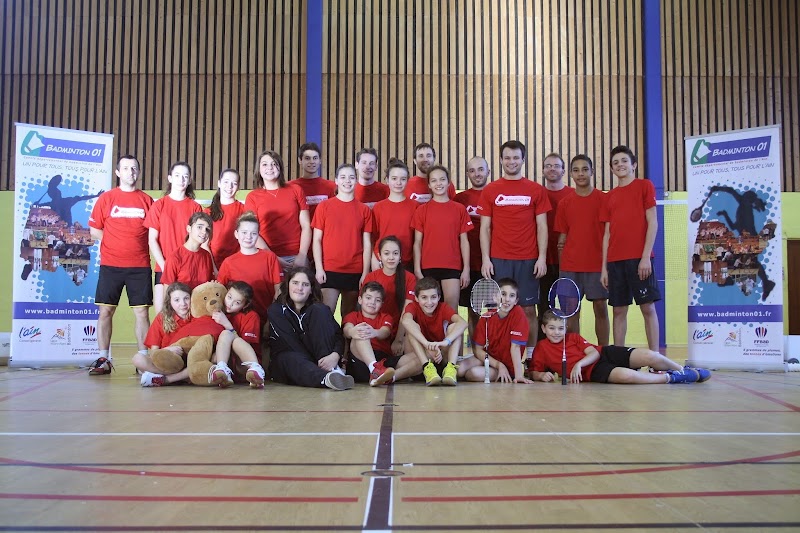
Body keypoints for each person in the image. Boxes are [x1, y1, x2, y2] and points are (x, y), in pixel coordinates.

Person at [479, 140, 551, 362]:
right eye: (507, 158)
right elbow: (485, 228)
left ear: (523, 160)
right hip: (499, 260)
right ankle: (499, 357)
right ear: (501, 160)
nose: (512, 162)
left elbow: (542, 226)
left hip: (528, 260)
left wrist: (541, 257)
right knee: (498, 309)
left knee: (528, 310)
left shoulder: (536, 190)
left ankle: (530, 358)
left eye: (516, 157)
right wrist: (486, 259)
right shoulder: (490, 190)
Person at [87, 155, 154, 375]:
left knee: (142, 313)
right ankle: (103, 359)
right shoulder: (106, 198)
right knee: (105, 311)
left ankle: (142, 360)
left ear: (139, 172)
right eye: (125, 168)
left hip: (139, 266)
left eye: (134, 168)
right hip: (111, 265)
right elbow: (94, 230)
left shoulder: (147, 201)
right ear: (117, 172)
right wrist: (115, 242)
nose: (130, 172)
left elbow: (154, 233)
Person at [531, 310, 711, 384]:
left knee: (650, 356)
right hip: (593, 372)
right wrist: (541, 375)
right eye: (552, 328)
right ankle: (671, 378)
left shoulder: (573, 338)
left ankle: (682, 369)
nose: (556, 332)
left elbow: (593, 353)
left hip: (605, 353)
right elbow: (534, 372)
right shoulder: (541, 348)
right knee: (627, 376)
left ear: (566, 328)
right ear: (543, 329)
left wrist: (579, 364)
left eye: (560, 328)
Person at [600, 145, 661, 351]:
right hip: (615, 263)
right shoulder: (609, 197)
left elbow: (653, 222)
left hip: (639, 260)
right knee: (618, 311)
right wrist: (604, 269)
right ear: (611, 168)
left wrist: (645, 257)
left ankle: (655, 359)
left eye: (624, 161)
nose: (620, 165)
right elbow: (607, 234)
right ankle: (620, 357)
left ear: (633, 165)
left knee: (647, 308)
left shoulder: (645, 186)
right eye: (615, 163)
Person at [267, 266, 354, 390]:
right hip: (292, 360)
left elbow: (337, 335)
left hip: (321, 359)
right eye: (295, 283)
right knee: (290, 359)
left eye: (305, 284)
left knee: (320, 310)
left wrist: (334, 356)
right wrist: (315, 365)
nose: (299, 288)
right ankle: (327, 378)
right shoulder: (276, 310)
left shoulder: (319, 309)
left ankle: (332, 371)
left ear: (311, 290)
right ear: (287, 285)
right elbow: (291, 343)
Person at [554, 155, 610, 345]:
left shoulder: (604, 199)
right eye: (576, 170)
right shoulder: (565, 203)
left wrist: (607, 266)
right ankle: (574, 351)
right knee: (571, 313)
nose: (581, 174)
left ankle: (604, 352)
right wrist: (562, 270)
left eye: (585, 169)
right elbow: (562, 239)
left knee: (601, 308)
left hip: (597, 266)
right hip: (570, 268)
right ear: (570, 174)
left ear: (592, 172)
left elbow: (610, 234)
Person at [312, 163, 373, 318]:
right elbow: (317, 239)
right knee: (325, 314)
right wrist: (319, 268)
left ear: (356, 181)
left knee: (349, 317)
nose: (347, 181)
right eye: (343, 177)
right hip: (329, 269)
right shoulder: (324, 206)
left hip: (355, 270)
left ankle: (346, 337)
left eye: (351, 177)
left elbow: (367, 244)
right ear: (336, 180)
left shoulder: (364, 210)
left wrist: (365, 272)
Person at [411, 165, 472, 313]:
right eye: (434, 180)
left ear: (448, 182)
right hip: (428, 267)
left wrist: (466, 269)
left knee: (451, 310)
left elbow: (464, 242)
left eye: (442, 179)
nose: (438, 183)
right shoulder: (422, 210)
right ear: (429, 185)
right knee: (429, 311)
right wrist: (417, 269)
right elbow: (417, 243)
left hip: (452, 266)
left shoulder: (459, 209)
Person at [144, 161, 202, 313]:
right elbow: (152, 239)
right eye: (177, 175)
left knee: (188, 315)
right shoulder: (159, 205)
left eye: (185, 176)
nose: (181, 179)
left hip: (188, 268)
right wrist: (165, 266)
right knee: (162, 315)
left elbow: (199, 241)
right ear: (170, 178)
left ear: (189, 180)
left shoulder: (195, 207)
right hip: (163, 267)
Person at [344, 282, 422, 386]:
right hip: (360, 361)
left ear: (382, 303)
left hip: (384, 360)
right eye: (368, 298)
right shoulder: (353, 316)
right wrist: (352, 331)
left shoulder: (386, 317)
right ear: (360, 300)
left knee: (421, 358)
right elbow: (347, 329)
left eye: (377, 300)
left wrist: (374, 332)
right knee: (361, 332)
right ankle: (374, 369)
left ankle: (389, 377)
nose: (372, 302)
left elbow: (385, 331)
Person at [244, 150, 311, 271]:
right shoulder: (252, 197)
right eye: (265, 164)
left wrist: (302, 255)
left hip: (296, 255)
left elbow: (306, 225)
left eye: (274, 164)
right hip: (266, 255)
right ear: (259, 169)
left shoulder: (296, 190)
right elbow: (252, 231)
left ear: (280, 167)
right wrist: (272, 257)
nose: (270, 167)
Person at [459, 278, 533, 383]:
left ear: (516, 301)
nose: (507, 299)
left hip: (508, 368)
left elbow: (515, 347)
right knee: (460, 369)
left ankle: (501, 374)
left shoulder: (518, 314)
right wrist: (498, 365)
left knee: (473, 373)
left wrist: (518, 376)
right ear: (495, 297)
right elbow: (478, 350)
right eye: (503, 294)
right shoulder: (486, 317)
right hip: (491, 360)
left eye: (512, 296)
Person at [216, 211, 282, 324]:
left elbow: (279, 289)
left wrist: (272, 316)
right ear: (236, 234)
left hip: (267, 317)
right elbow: (220, 292)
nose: (248, 237)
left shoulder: (270, 257)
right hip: (239, 321)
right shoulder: (228, 262)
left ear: (258, 235)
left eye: (253, 233)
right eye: (244, 232)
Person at [401, 277, 468, 386]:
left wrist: (445, 342)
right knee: (412, 328)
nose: (429, 302)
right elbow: (406, 321)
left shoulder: (443, 307)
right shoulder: (412, 306)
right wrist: (426, 344)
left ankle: (450, 369)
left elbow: (463, 323)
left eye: (433, 297)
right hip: (420, 362)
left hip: (441, 359)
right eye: (424, 297)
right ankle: (426, 367)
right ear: (416, 298)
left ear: (439, 297)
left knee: (454, 327)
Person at [453, 156, 490, 351]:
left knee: (494, 312)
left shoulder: (494, 195)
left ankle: (493, 352)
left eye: (481, 169)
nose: (477, 174)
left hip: (491, 264)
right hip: (468, 264)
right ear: (467, 174)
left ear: (488, 172)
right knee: (473, 311)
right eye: (473, 170)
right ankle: (476, 352)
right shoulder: (459, 200)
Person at [537, 153, 574, 340]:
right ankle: (543, 348)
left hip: (568, 262)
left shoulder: (572, 195)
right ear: (543, 170)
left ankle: (570, 346)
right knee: (544, 306)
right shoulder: (537, 194)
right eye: (548, 166)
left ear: (563, 170)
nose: (552, 169)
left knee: (570, 308)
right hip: (543, 261)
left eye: (556, 166)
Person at [206, 281, 267, 388]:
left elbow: (243, 345)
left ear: (245, 305)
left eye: (237, 303)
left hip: (245, 365)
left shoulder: (251, 316)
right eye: (229, 297)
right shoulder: (219, 311)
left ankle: (256, 370)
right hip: (228, 363)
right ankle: (222, 370)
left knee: (232, 337)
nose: (230, 304)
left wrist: (227, 324)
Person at [363, 236, 417, 355]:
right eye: (386, 253)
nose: (391, 257)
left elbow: (407, 311)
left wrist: (399, 339)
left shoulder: (409, 278)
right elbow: (365, 309)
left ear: (400, 256)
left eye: (395, 253)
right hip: (377, 330)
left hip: (400, 331)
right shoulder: (371, 277)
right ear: (379, 256)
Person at [133, 282, 194, 387]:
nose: (183, 303)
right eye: (177, 300)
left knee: (207, 361)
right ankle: (181, 377)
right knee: (138, 359)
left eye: (186, 298)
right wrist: (167, 350)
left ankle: (167, 379)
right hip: (168, 363)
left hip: (190, 362)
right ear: (169, 302)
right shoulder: (162, 318)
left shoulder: (197, 316)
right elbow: (154, 352)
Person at [371, 158, 418, 270]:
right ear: (387, 180)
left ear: (407, 181)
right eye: (394, 178)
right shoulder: (378, 207)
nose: (398, 183)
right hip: (381, 262)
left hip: (407, 263)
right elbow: (373, 238)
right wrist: (374, 259)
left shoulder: (415, 206)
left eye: (403, 179)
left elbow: (417, 240)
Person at [160, 212, 215, 290]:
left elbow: (209, 285)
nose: (204, 232)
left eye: (207, 229)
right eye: (199, 227)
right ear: (189, 228)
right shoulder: (175, 257)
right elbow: (167, 292)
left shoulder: (207, 256)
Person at [205, 168, 246, 270]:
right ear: (219, 183)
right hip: (213, 266)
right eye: (226, 182)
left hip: (237, 266)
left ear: (238, 187)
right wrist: (214, 269)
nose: (229, 186)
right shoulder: (207, 212)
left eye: (234, 183)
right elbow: (204, 245)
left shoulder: (244, 210)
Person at [289, 142, 336, 220]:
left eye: (315, 158)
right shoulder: (291, 187)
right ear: (300, 160)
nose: (312, 162)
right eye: (307, 158)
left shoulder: (332, 187)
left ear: (320, 160)